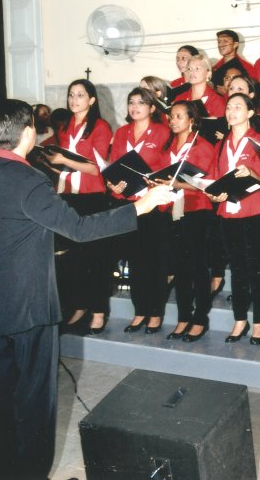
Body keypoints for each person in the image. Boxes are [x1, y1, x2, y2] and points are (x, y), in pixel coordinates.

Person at [0, 98, 169, 480]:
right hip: (29, 308)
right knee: (34, 402)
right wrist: (141, 206)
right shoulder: (29, 180)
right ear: (28, 133)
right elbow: (79, 229)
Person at [44, 80, 113, 334]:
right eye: (71, 95)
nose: (74, 100)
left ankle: (99, 310)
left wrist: (63, 159)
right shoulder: (66, 127)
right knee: (74, 258)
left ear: (91, 100)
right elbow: (66, 166)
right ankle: (79, 306)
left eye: (80, 95)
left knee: (96, 256)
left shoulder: (101, 126)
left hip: (92, 197)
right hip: (68, 195)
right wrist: (49, 161)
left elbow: (96, 169)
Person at [207, 93, 260, 345]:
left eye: (238, 107)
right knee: (237, 268)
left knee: (258, 268)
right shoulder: (221, 144)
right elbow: (215, 177)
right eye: (228, 107)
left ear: (250, 113)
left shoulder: (259, 141)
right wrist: (214, 195)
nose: (231, 111)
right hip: (229, 211)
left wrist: (253, 173)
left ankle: (259, 321)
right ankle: (240, 319)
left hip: (255, 210)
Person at [106, 87, 170, 335]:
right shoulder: (121, 132)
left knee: (154, 261)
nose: (135, 107)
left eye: (141, 103)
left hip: (153, 204)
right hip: (129, 203)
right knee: (134, 260)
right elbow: (114, 165)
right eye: (131, 102)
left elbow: (168, 166)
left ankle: (155, 312)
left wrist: (157, 180)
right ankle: (140, 310)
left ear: (152, 108)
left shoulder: (163, 131)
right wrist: (113, 184)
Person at [161, 100, 216, 342]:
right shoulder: (169, 145)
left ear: (192, 120)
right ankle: (184, 316)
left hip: (196, 210)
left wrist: (175, 183)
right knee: (179, 267)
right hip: (172, 209)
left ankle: (200, 317)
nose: (173, 121)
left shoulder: (202, 145)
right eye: (171, 117)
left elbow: (204, 183)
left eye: (178, 116)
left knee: (197, 267)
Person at [174, 54, 227, 118]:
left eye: (197, 68)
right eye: (189, 69)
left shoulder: (217, 102)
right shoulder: (180, 99)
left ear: (208, 74)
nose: (192, 72)